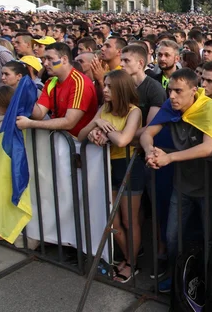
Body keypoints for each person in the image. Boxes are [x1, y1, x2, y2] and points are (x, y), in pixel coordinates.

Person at [140, 68, 212, 292]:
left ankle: (207, 283)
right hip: (182, 184)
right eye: (170, 91)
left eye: (178, 91)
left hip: (208, 187)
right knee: (172, 236)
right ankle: (177, 276)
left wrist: (170, 157)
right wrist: (150, 151)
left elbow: (208, 147)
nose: (172, 96)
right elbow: (147, 133)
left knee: (209, 238)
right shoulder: (170, 105)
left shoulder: (207, 106)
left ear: (194, 92)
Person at [77, 70, 143, 283]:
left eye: (109, 86)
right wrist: (94, 129)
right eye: (104, 85)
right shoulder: (104, 108)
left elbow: (123, 140)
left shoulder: (134, 112)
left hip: (128, 167)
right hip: (106, 166)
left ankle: (132, 264)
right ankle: (126, 257)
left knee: (128, 219)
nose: (104, 90)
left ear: (121, 90)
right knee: (113, 222)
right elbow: (80, 134)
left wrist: (105, 128)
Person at [15, 42, 98, 137]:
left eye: (50, 59)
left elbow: (69, 123)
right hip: (59, 140)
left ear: (64, 59)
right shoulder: (51, 82)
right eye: (45, 59)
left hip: (78, 144)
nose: (45, 63)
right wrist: (25, 93)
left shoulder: (80, 82)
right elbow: (40, 113)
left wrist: (30, 123)